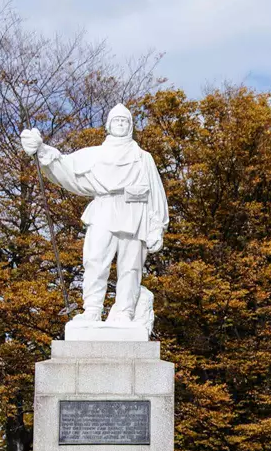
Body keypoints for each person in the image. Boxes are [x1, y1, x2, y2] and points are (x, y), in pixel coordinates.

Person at [20, 103, 168, 327]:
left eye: (124, 120)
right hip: (103, 210)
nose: (120, 123)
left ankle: (125, 312)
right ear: (109, 125)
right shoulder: (95, 154)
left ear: (130, 126)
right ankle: (92, 310)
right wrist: (41, 150)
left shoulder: (143, 158)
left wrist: (158, 226)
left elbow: (156, 193)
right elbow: (66, 166)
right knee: (95, 260)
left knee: (131, 267)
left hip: (135, 213)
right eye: (116, 120)